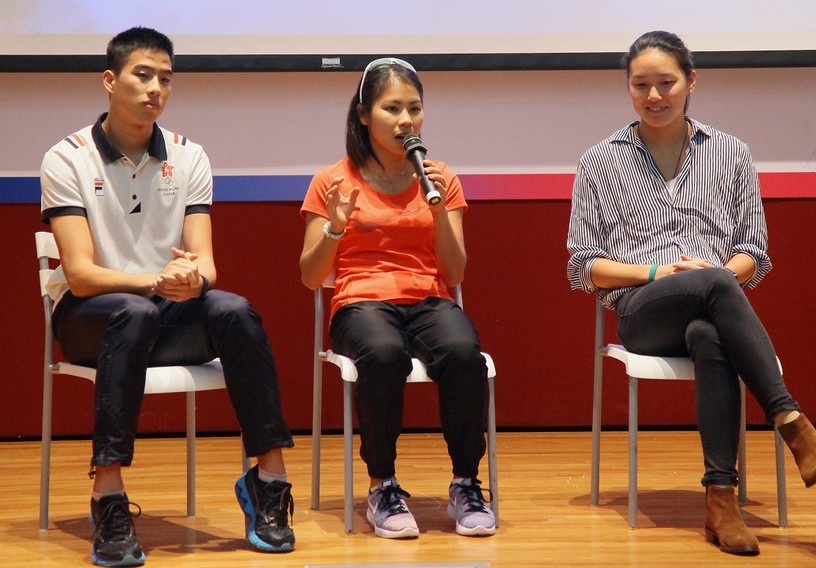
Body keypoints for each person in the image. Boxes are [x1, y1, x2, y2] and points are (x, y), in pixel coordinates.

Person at [566, 30, 816, 556]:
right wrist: (653, 274)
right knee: (714, 280)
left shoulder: (731, 152)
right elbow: (584, 266)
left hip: (713, 308)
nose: (654, 96)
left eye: (666, 82)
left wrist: (713, 271)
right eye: (640, 85)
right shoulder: (598, 160)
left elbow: (754, 253)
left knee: (708, 329)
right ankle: (789, 419)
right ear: (627, 89)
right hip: (642, 311)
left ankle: (721, 499)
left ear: (691, 82)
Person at [39, 27, 295, 566]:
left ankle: (269, 479)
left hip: (160, 314)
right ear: (110, 81)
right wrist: (158, 281)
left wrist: (193, 281)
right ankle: (107, 495)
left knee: (235, 310)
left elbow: (204, 261)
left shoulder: (189, 155)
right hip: (89, 318)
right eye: (143, 74)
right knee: (131, 312)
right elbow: (81, 275)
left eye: (166, 79)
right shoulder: (67, 158)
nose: (156, 88)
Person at [299, 57, 495, 539]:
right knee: (384, 356)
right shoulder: (332, 179)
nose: (406, 120)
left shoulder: (440, 177)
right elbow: (309, 276)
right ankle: (382, 486)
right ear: (364, 115)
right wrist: (336, 226)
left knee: (464, 355)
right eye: (392, 108)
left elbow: (454, 272)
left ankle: (467, 483)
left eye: (414, 108)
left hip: (427, 300)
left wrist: (438, 207)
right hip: (360, 303)